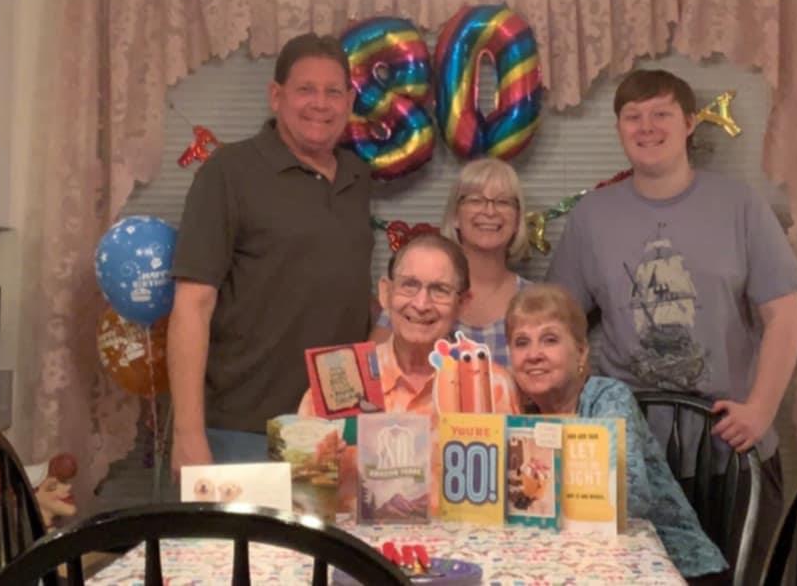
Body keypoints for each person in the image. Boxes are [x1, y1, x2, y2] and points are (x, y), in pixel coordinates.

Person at [546, 69, 797, 581]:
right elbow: (560, 324)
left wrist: (761, 410)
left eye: (661, 113)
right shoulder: (592, 217)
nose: (647, 127)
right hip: (628, 452)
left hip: (729, 449)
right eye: (632, 116)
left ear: (690, 122)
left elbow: (785, 317)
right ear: (619, 128)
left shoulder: (741, 207)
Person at [168, 32, 372, 475]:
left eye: (333, 91)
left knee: (337, 548)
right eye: (306, 89)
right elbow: (192, 305)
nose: (321, 103)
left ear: (349, 101)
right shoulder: (228, 173)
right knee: (237, 549)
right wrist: (188, 434)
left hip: (336, 430)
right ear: (276, 96)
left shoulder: (357, 178)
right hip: (241, 432)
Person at [505, 283, 728, 583]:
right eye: (521, 342)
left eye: (549, 340)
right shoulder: (523, 418)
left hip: (676, 567)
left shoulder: (608, 398)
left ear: (581, 352)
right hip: (581, 565)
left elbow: (629, 499)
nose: (533, 354)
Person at [300, 233, 518, 417]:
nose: (421, 304)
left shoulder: (492, 386)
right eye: (409, 285)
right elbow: (308, 464)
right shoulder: (340, 379)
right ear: (386, 293)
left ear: (462, 304)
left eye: (440, 289)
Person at [370, 158, 531, 366]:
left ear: (518, 219)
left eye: (503, 202)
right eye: (475, 200)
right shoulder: (414, 297)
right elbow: (369, 372)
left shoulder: (533, 301)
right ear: (455, 214)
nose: (490, 211)